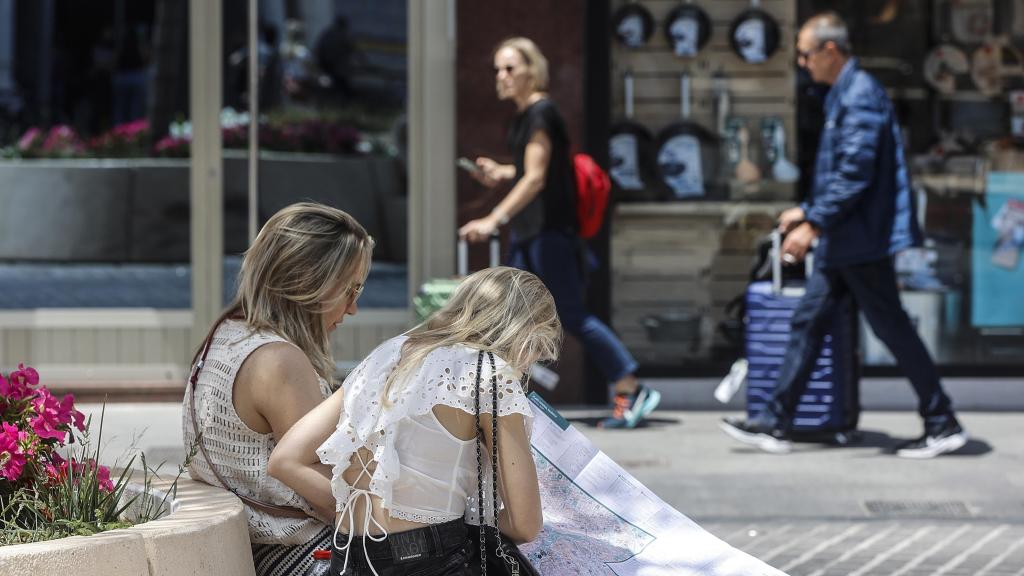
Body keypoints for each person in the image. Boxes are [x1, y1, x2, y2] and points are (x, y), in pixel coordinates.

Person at [720, 12, 968, 459]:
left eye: (805, 53)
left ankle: (942, 421)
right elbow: (843, 171)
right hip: (848, 239)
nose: (801, 62)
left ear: (830, 51)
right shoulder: (845, 93)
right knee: (808, 323)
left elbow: (855, 173)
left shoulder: (860, 96)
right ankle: (775, 423)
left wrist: (813, 222)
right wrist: (808, 211)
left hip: (860, 239)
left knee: (889, 328)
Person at [269, 266, 558, 575]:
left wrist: (372, 509)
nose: (529, 364)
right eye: (539, 348)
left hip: (348, 556)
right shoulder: (490, 373)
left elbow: (286, 460)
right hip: (431, 558)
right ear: (525, 333)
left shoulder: (387, 354)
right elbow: (525, 524)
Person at [458, 36, 659, 429]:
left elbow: (535, 180)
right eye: (497, 68)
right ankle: (503, 395)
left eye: (510, 68)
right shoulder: (523, 116)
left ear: (533, 70)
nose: (502, 76)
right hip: (531, 234)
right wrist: (500, 173)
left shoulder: (542, 114)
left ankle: (631, 386)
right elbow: (536, 172)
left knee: (570, 314)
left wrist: (493, 219)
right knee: (511, 311)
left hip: (550, 235)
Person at [182, 202, 374, 575]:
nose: (353, 309)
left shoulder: (225, 336)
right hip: (300, 554)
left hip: (257, 549)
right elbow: (329, 493)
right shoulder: (280, 361)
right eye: (349, 290)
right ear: (306, 283)